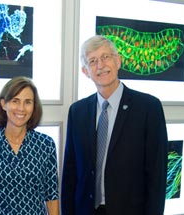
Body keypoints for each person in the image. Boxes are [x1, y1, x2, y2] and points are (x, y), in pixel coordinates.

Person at [61, 35, 168, 215]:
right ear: (86, 71)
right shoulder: (77, 112)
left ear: (118, 61)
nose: (100, 65)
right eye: (92, 61)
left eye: (105, 57)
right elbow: (70, 174)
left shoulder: (148, 108)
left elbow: (156, 176)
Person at [0, 76, 59, 215]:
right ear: (3, 104)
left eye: (28, 102)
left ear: (34, 106)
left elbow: (51, 196)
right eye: (15, 101)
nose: (21, 108)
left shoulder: (46, 144)